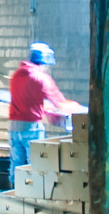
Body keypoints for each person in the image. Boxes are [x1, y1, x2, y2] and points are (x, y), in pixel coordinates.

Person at [6, 43, 69, 172]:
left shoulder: (16, 75)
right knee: (35, 168)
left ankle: (12, 190)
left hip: (13, 128)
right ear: (44, 62)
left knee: (16, 167)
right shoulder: (41, 78)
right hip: (32, 129)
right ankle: (33, 192)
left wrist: (41, 106)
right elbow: (60, 103)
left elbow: (24, 99)